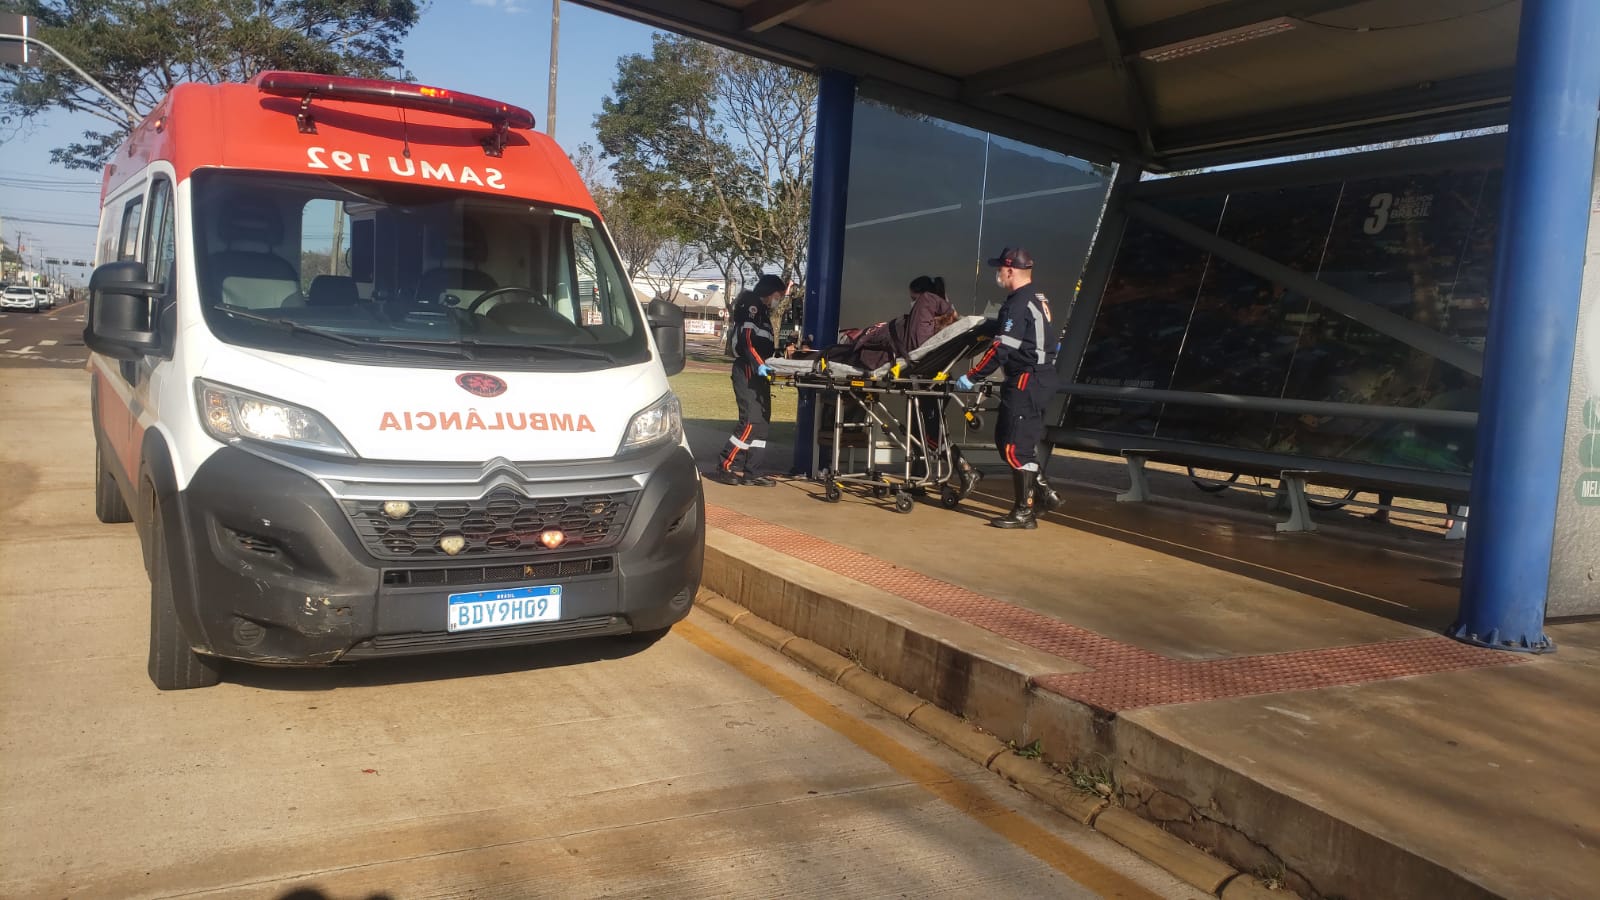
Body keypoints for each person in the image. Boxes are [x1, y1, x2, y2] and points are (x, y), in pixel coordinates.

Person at [954, 247, 1064, 529]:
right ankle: (1045, 494)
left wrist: (974, 375)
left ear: (1010, 270)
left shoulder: (1018, 303)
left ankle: (1024, 510)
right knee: (1009, 442)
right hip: (1036, 378)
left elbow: (1004, 345)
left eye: (999, 269)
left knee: (1016, 446)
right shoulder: (1037, 297)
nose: (997, 274)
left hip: (1028, 378)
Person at [713, 273, 788, 486]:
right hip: (747, 368)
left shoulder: (763, 313)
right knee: (750, 421)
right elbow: (747, 341)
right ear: (770, 291)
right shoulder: (751, 305)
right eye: (779, 295)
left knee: (762, 424)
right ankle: (725, 465)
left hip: (759, 371)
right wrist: (759, 365)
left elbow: (762, 343)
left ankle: (752, 471)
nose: (779, 299)